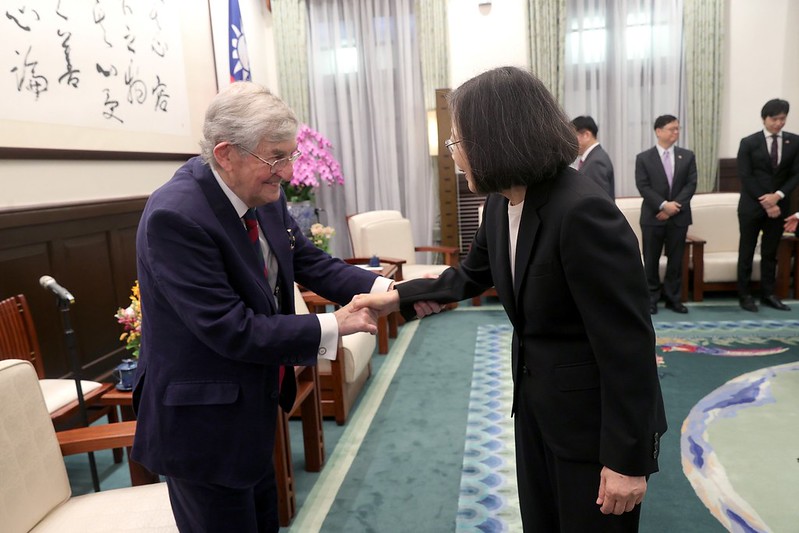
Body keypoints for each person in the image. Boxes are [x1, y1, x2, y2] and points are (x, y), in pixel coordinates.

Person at [354, 66, 666, 532]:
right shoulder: (501, 203)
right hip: (537, 404)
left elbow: (629, 346)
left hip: (590, 427)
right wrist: (392, 297)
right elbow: (469, 276)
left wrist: (627, 460)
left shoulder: (582, 212)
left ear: (495, 139)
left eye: (456, 143)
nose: (454, 157)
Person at [131, 81, 389, 532]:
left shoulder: (262, 193)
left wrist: (390, 289)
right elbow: (231, 328)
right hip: (203, 428)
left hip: (253, 410)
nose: (287, 172)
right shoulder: (176, 216)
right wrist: (333, 324)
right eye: (276, 157)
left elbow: (308, 261)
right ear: (226, 153)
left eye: (291, 155)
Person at [737, 98, 799, 312]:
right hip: (752, 205)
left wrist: (778, 196)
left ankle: (768, 293)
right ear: (764, 119)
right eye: (774, 119)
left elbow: (795, 174)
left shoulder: (795, 141)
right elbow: (745, 176)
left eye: (783, 119)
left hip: (780, 205)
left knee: (770, 252)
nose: (779, 123)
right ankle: (744, 295)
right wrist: (766, 200)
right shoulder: (749, 142)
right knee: (746, 251)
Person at [634, 115, 697, 314]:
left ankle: (673, 298)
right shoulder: (644, 158)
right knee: (651, 261)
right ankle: (651, 298)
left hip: (679, 217)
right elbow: (643, 186)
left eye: (678, 129)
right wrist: (662, 206)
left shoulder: (687, 156)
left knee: (676, 260)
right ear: (658, 131)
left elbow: (691, 184)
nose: (676, 132)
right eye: (672, 129)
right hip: (652, 217)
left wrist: (673, 207)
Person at [572, 115, 615, 198]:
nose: (571, 141)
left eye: (574, 135)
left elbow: (599, 201)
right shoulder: (594, 157)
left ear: (587, 135)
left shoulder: (596, 162)